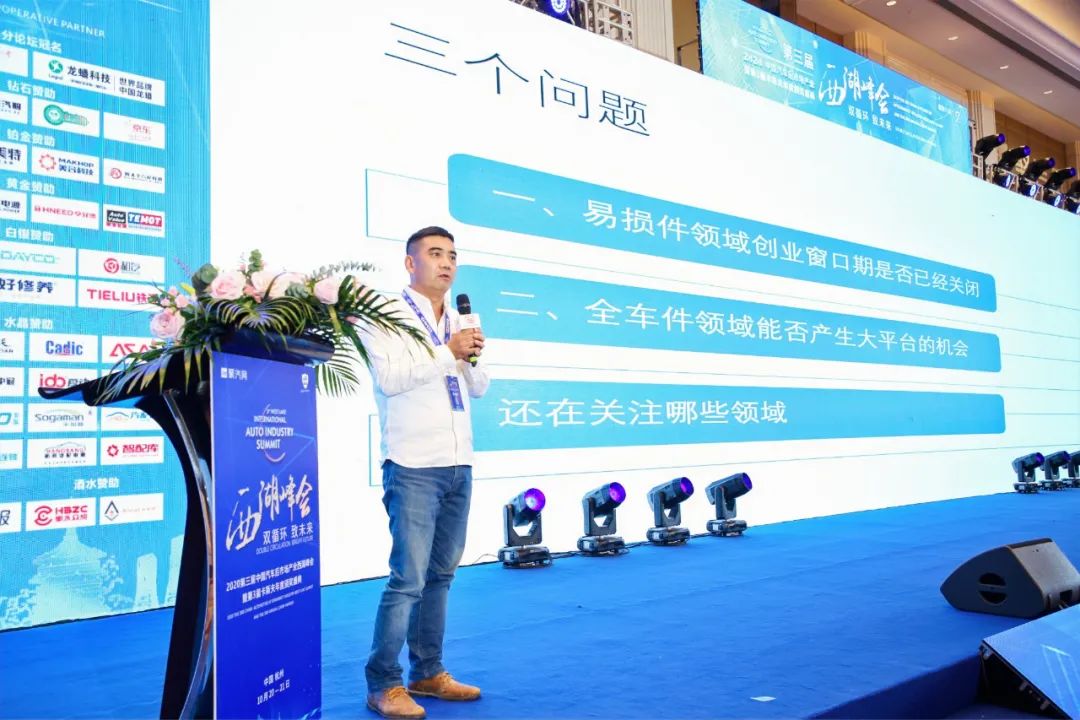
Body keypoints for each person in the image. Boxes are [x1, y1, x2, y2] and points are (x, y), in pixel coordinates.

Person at [360, 226, 488, 720]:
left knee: (441, 577)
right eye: (435, 254)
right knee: (407, 580)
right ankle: (382, 683)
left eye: (452, 255)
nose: (447, 263)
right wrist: (447, 351)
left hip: (458, 463)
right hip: (413, 465)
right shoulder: (386, 314)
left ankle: (428, 672)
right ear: (410, 263)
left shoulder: (459, 318)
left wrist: (469, 356)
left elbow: (478, 387)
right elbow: (391, 379)